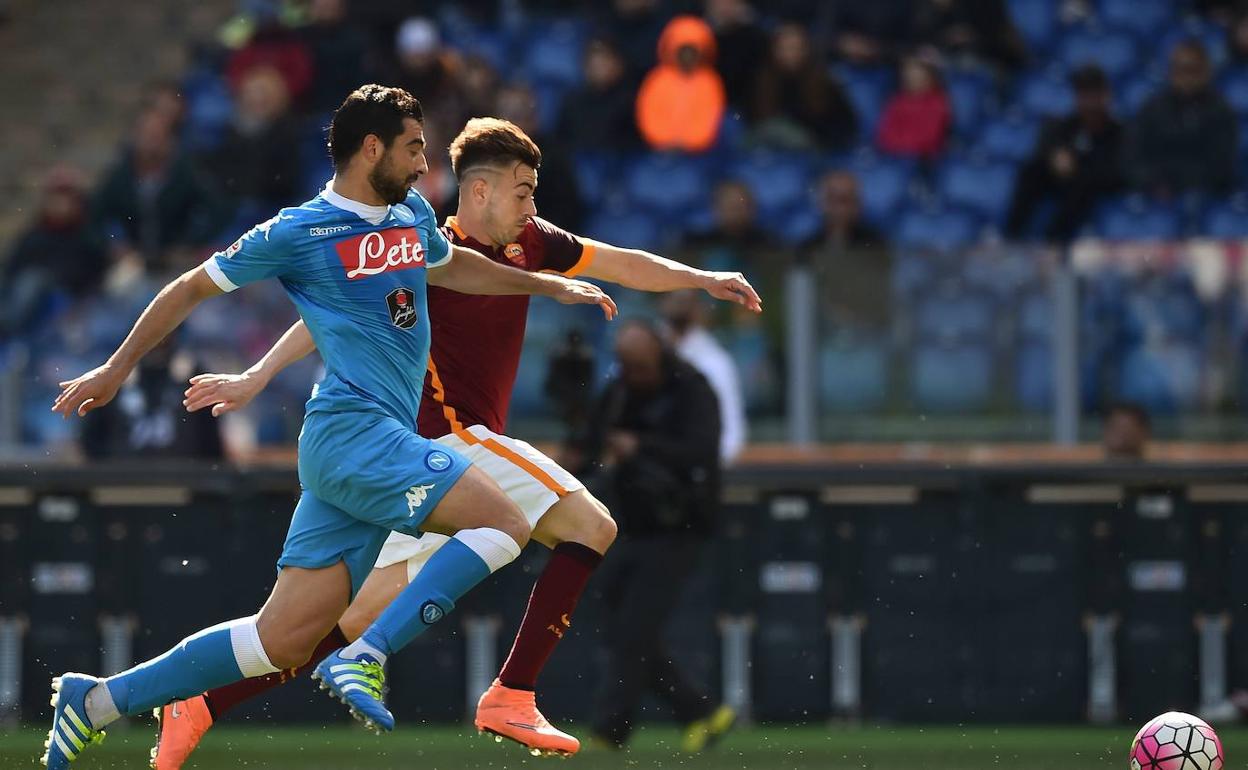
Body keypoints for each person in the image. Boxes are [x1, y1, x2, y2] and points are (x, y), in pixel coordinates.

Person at [39, 85, 618, 770]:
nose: (424, 158)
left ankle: (96, 700)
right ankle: (369, 655)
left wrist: (549, 286)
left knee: (277, 641)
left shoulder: (409, 212)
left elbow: (452, 266)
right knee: (503, 526)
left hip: (358, 450)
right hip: (356, 433)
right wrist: (115, 369)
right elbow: (190, 287)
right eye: (412, 146)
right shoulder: (299, 231)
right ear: (370, 149)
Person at [154, 117, 762, 766]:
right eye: (523, 191)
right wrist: (255, 376)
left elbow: (617, 262)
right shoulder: (423, 250)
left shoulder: (531, 242)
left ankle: (202, 704)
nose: (532, 205)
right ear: (479, 192)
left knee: (347, 625)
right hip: (452, 439)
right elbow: (330, 317)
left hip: (429, 468)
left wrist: (699, 277)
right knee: (590, 525)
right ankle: (511, 693)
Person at [572, 321, 734, 751]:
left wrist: (640, 446)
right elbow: (590, 444)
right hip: (632, 523)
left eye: (641, 366)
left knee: (633, 628)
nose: (635, 375)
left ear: (660, 357)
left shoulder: (692, 390)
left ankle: (610, 730)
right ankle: (699, 710)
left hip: (680, 525)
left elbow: (702, 450)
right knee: (618, 622)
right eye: (628, 366)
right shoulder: (620, 391)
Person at [1004, 65, 1123, 243]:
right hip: (1063, 180)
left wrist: (1080, 167)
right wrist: (1054, 157)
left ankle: (1053, 243)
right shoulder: (1065, 126)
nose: (1089, 102)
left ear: (1106, 96)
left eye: (1094, 93)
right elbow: (1046, 150)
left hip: (1095, 185)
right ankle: (1011, 237)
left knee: (1084, 183)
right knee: (1031, 171)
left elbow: (1118, 170)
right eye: (1084, 94)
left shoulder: (1118, 132)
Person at [1125, 40, 1237, 197]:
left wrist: (1177, 181)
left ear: (1206, 72)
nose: (1186, 77)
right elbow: (1134, 157)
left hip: (1205, 197)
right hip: (1157, 195)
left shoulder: (1221, 111)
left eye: (1193, 70)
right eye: (1180, 69)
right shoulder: (1152, 109)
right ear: (1171, 72)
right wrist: (1155, 183)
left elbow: (1221, 165)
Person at [661, 290, 746, 463]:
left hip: (696, 472)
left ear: (698, 308)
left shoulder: (715, 361)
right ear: (662, 303)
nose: (680, 305)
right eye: (675, 298)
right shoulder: (642, 350)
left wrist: (708, 469)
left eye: (686, 300)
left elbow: (731, 430)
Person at [747, 22, 857, 151]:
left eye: (795, 48)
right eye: (784, 48)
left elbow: (843, 127)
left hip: (811, 153)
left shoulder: (824, 84)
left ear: (806, 50)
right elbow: (752, 124)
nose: (789, 54)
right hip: (768, 153)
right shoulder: (759, 82)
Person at [635, 15, 726, 153]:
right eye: (683, 51)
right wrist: (663, 140)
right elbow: (649, 114)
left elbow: (710, 119)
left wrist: (689, 143)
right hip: (658, 151)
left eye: (692, 51)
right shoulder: (658, 79)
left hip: (699, 154)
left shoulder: (709, 82)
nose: (688, 57)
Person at [877, 51, 951, 160]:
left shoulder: (938, 103)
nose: (913, 79)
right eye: (909, 76)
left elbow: (929, 138)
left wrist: (903, 144)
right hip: (894, 157)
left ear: (930, 77)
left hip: (925, 161)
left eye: (919, 76)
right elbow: (885, 134)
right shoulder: (897, 102)